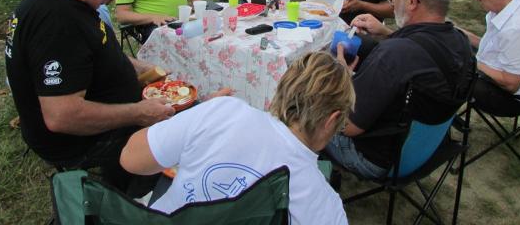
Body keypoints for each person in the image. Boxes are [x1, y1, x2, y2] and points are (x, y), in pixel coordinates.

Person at [5, 0, 175, 193]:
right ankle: (140, 201)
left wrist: (139, 66)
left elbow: (93, 53)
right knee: (180, 137)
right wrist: (139, 113)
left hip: (108, 116)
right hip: (79, 142)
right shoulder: (55, 20)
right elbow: (62, 116)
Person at [120, 51, 354, 225]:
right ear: (331, 120)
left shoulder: (223, 111)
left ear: (282, 87)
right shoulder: (326, 208)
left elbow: (131, 159)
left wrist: (195, 117)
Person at [325, 0, 475, 178]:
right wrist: (386, 31)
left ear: (412, 0)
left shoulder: (393, 55)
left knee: (294, 111)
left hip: (378, 158)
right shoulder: (461, 42)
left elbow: (348, 126)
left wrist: (342, 78)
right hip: (425, 148)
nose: (392, 4)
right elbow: (421, 49)